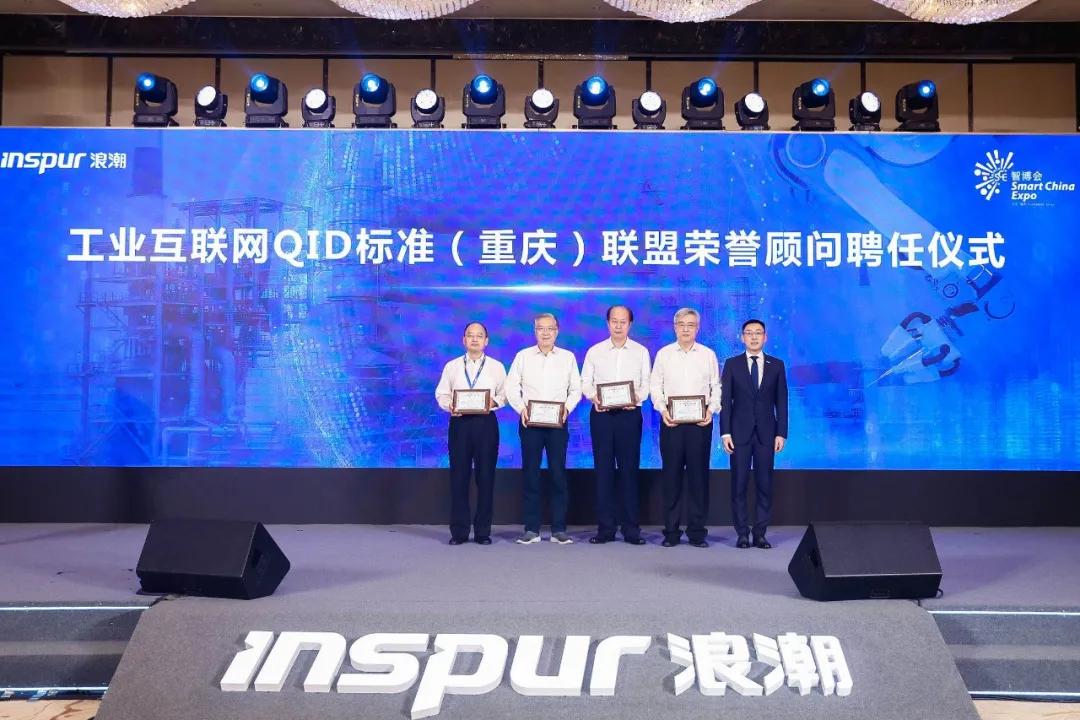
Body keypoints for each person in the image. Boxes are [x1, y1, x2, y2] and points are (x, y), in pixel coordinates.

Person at [505, 312, 582, 545]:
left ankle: (559, 529)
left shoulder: (568, 357)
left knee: (558, 475)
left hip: (558, 423)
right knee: (531, 474)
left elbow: (576, 389)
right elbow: (511, 387)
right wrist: (522, 409)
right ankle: (531, 529)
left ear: (557, 331)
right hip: (530, 423)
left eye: (550, 329)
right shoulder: (523, 356)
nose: (545, 333)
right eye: (541, 328)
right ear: (535, 331)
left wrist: (566, 409)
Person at [649, 308, 721, 548]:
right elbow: (655, 386)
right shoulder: (664, 354)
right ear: (675, 327)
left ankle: (697, 532)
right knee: (671, 478)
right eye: (681, 324)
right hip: (672, 424)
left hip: (701, 424)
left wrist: (711, 410)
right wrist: (663, 410)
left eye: (691, 325)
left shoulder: (708, 354)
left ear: (697, 328)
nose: (686, 329)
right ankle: (671, 532)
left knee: (698, 479)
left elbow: (716, 386)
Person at [581, 305, 651, 545]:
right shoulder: (595, 351)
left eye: (623, 322)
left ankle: (631, 529)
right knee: (604, 471)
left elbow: (646, 383)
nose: (618, 326)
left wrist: (635, 399)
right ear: (607, 323)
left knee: (629, 471)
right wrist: (595, 398)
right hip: (602, 415)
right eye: (614, 321)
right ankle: (605, 528)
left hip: (629, 416)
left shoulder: (641, 352)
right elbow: (585, 383)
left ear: (630, 324)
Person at [435, 321, 507, 545]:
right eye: (470, 335)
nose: (475, 339)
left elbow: (505, 394)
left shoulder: (496, 367)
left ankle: (483, 532)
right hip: (460, 423)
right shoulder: (452, 366)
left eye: (479, 335)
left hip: (486, 423)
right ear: (464, 340)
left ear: (486, 341)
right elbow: (441, 393)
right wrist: (449, 405)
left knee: (486, 477)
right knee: (459, 477)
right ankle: (459, 532)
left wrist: (492, 403)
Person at [720, 319, 789, 549]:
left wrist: (781, 433)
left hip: (767, 434)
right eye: (749, 333)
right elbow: (726, 401)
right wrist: (725, 433)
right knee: (738, 485)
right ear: (742, 337)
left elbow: (782, 401)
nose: (754, 337)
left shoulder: (776, 365)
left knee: (764, 485)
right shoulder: (732, 364)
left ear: (765, 337)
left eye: (758, 333)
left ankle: (760, 533)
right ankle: (742, 533)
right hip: (739, 434)